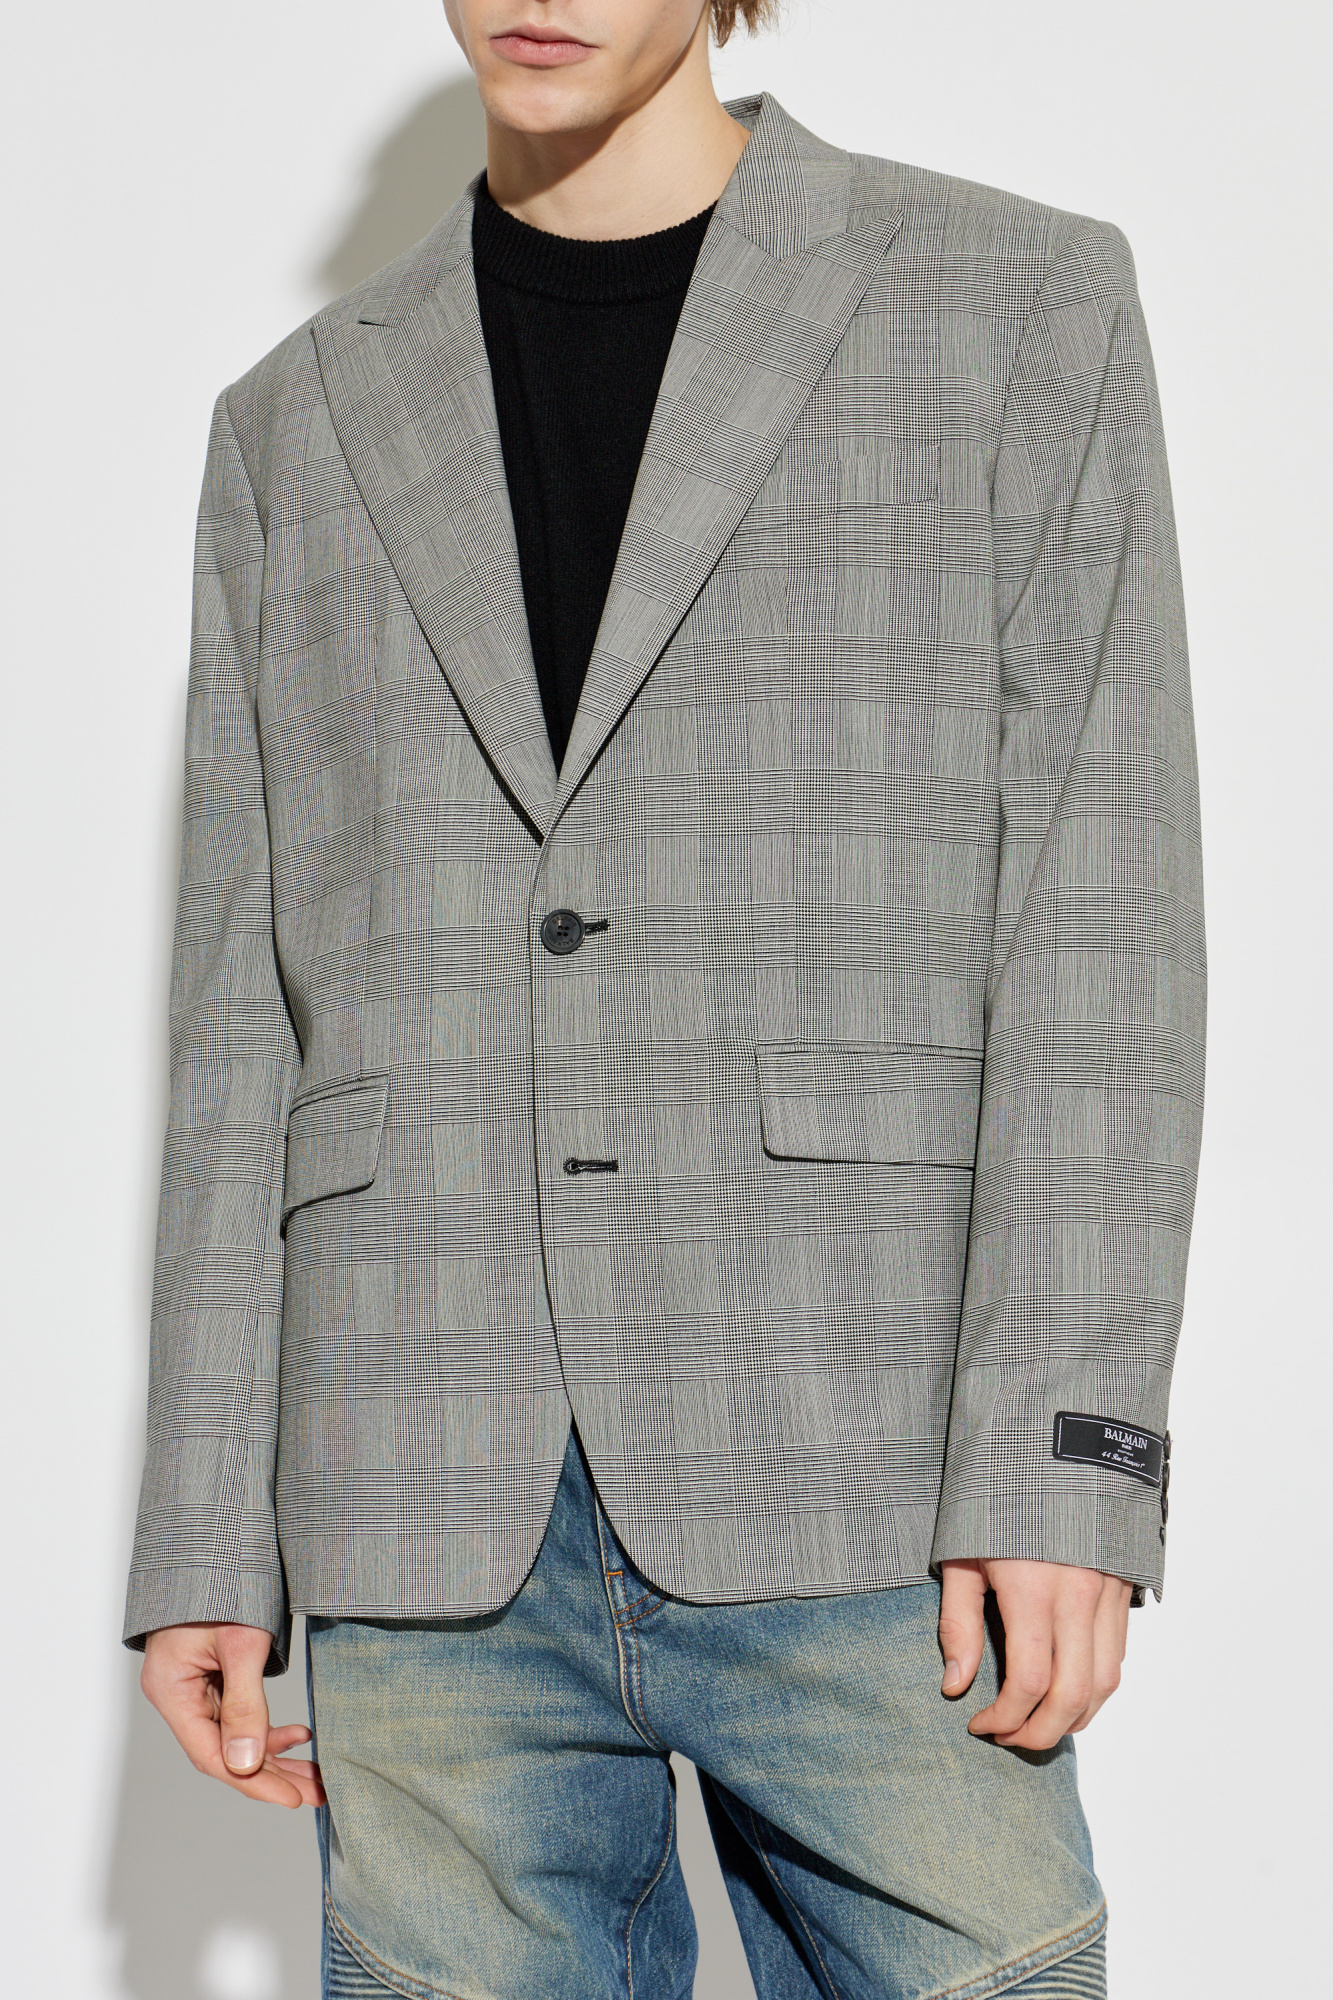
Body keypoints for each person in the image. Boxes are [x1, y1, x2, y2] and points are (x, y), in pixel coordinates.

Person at [124, 2, 1206, 1994]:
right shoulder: (294, 418)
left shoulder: (1009, 305)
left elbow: (1102, 905)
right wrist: (206, 1529)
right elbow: (234, 1014)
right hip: (419, 1489)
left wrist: (1067, 1466)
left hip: (870, 1472)